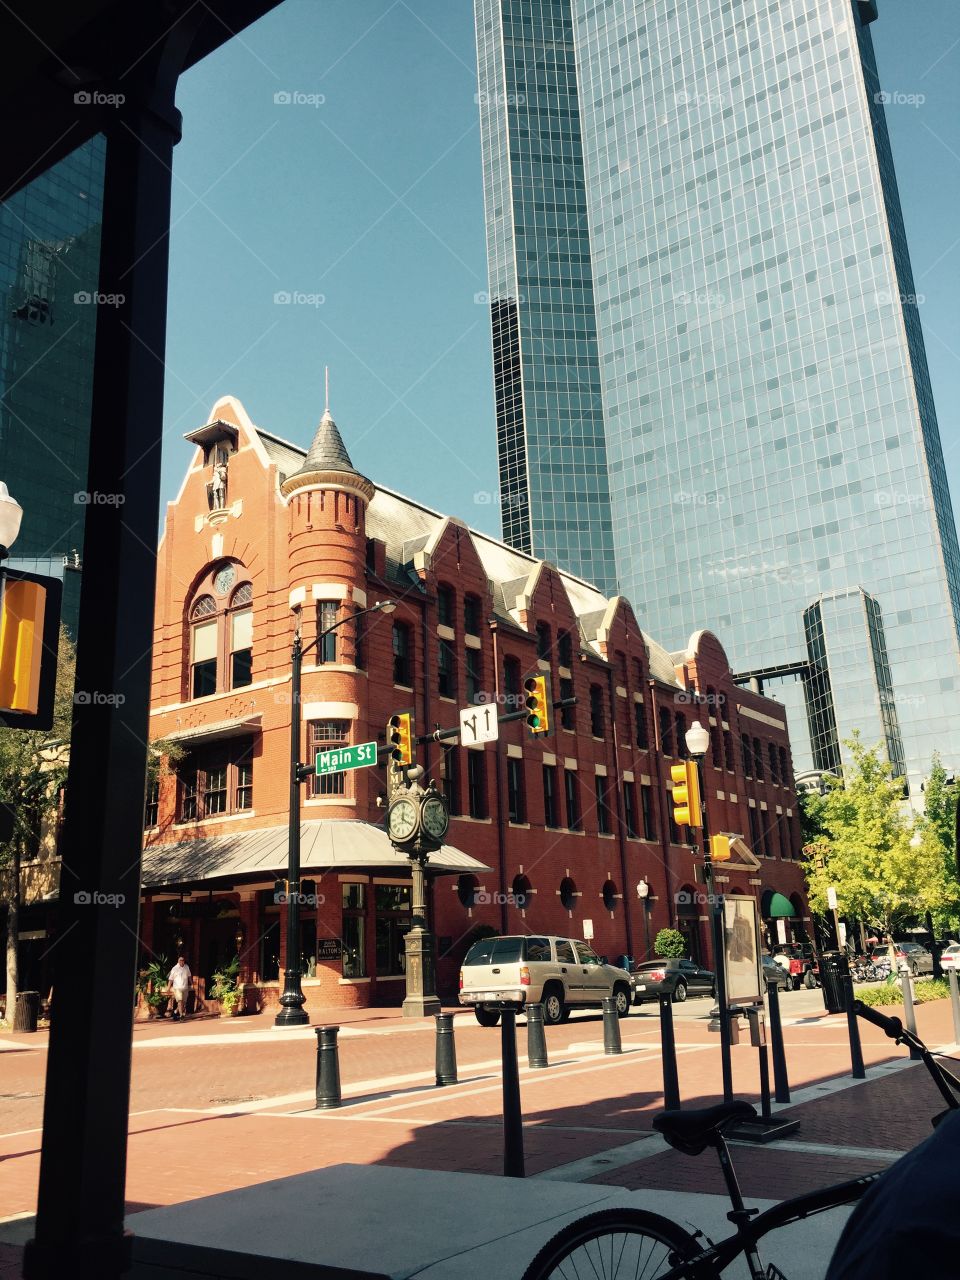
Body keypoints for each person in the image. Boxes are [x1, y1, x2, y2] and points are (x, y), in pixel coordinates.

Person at [167, 955, 192, 1021]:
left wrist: (192, 984)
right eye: (180, 960)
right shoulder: (174, 968)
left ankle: (175, 1012)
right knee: (180, 1001)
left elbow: (189, 976)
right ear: (178, 961)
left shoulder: (186, 967)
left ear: (184, 961)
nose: (182, 962)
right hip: (177, 988)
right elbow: (171, 979)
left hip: (185, 987)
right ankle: (181, 1016)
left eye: (183, 960)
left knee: (183, 1003)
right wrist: (168, 988)